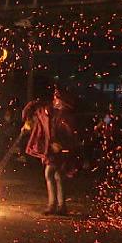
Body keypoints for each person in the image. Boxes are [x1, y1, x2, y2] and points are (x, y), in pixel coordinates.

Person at [24, 87, 78, 215]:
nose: (55, 100)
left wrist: (61, 145)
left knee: (50, 174)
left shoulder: (64, 115)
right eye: (54, 97)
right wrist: (30, 119)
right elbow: (38, 117)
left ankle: (53, 205)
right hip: (53, 149)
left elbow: (70, 134)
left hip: (60, 150)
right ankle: (60, 206)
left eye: (57, 98)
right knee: (58, 176)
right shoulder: (51, 112)